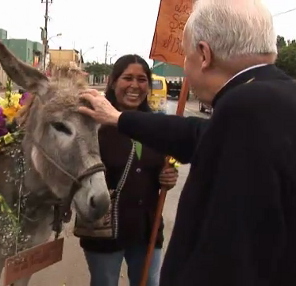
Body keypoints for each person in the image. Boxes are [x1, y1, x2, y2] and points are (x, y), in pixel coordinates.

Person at [77, 0, 296, 285]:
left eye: (186, 56)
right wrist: (119, 119)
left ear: (204, 54)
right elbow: (196, 135)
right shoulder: (277, 97)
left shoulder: (244, 106)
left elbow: (229, 247)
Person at [74, 54, 179, 286]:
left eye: (142, 79)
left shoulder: (157, 125)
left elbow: (160, 170)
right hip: (104, 231)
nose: (135, 85)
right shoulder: (92, 123)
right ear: (113, 82)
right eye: (127, 78)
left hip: (147, 229)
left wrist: (168, 178)